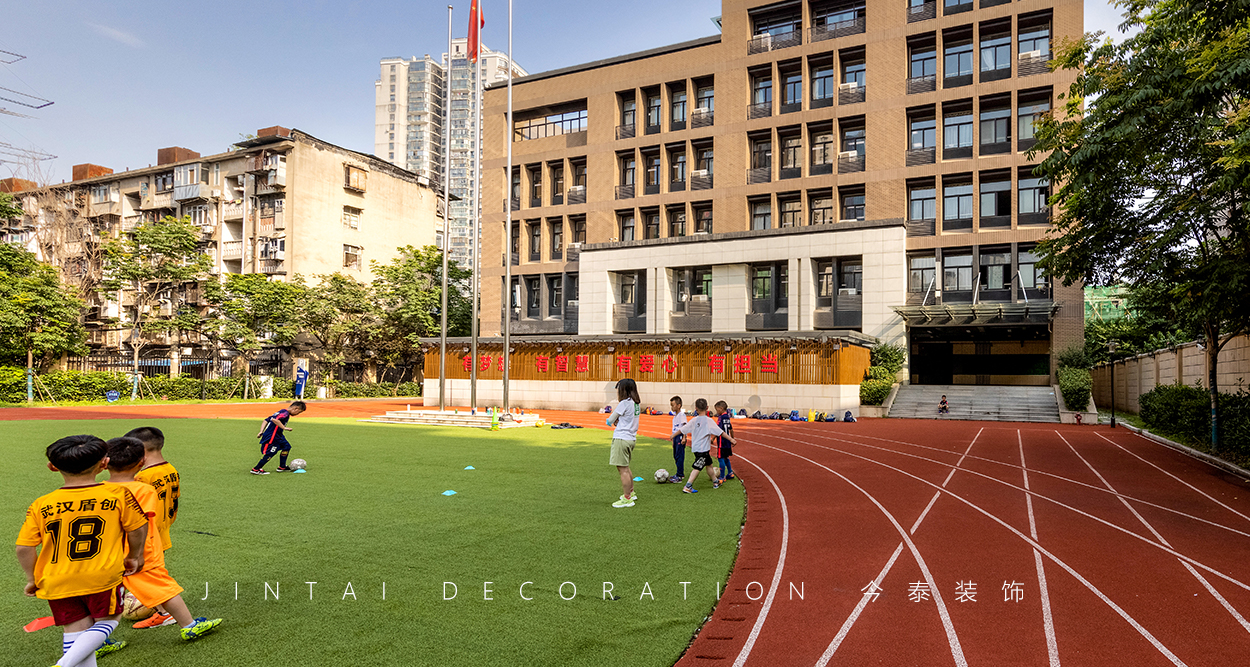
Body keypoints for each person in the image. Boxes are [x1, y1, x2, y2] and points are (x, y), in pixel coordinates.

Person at [16, 434, 148, 667]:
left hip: (56, 579)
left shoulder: (41, 504)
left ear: (52, 466)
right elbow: (137, 529)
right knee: (110, 620)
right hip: (101, 575)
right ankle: (63, 665)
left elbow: (24, 547)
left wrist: (32, 578)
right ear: (104, 463)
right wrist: (133, 556)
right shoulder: (117, 495)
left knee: (76, 629)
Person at [104, 437, 221, 642]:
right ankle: (189, 626)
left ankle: (96, 641)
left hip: (106, 552)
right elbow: (140, 523)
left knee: (103, 594)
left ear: (105, 463)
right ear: (141, 461)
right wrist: (137, 555)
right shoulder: (143, 490)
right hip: (140, 551)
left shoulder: (98, 490)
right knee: (163, 588)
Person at [125, 426, 181, 628]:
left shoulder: (141, 478)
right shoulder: (170, 469)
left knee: (145, 577)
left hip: (146, 537)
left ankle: (164, 612)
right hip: (162, 530)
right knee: (153, 575)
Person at [678, 399, 736, 493]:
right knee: (697, 467)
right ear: (707, 408)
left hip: (698, 448)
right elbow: (720, 432)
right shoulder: (709, 421)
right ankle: (688, 485)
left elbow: (683, 429)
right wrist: (731, 439)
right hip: (702, 450)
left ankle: (715, 482)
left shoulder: (694, 420)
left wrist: (673, 435)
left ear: (696, 408)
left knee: (709, 464)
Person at [606, 379, 642, 508]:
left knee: (623, 470)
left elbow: (610, 420)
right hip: (631, 438)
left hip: (622, 438)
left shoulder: (624, 403)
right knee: (626, 467)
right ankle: (631, 493)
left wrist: (613, 420)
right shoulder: (636, 403)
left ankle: (627, 498)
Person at [251, 401, 307, 475]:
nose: (297, 414)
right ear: (295, 408)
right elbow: (275, 420)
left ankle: (282, 467)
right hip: (272, 436)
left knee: (286, 447)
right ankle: (256, 469)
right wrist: (284, 427)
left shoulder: (281, 412)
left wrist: (261, 431)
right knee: (270, 453)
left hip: (279, 435)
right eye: (299, 412)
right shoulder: (285, 413)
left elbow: (266, 420)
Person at [713, 401, 736, 483]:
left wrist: (713, 438)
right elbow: (731, 429)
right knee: (726, 457)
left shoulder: (721, 418)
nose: (716, 411)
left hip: (721, 441)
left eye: (717, 409)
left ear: (721, 408)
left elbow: (718, 430)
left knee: (720, 458)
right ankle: (730, 473)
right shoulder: (727, 417)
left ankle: (722, 476)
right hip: (727, 441)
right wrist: (732, 439)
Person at [668, 396, 688, 484]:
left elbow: (684, 427)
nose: (671, 407)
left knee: (679, 456)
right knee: (675, 456)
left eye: (673, 405)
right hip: (676, 438)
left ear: (678, 405)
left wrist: (684, 437)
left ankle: (679, 475)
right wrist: (673, 440)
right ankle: (679, 473)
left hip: (680, 437)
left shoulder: (682, 415)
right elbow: (674, 429)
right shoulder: (675, 416)